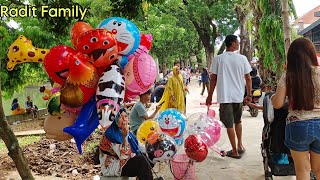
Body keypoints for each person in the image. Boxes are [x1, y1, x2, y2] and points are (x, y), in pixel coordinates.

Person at [271, 37, 320, 180]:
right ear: (311, 53)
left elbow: (278, 104)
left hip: (297, 125)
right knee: (318, 170)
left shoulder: (288, 75)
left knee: (303, 171)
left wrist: (274, 96)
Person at [206, 35, 252, 159]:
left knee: (229, 124)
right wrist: (249, 94)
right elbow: (248, 78)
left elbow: (213, 79)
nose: (238, 45)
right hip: (238, 97)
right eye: (237, 43)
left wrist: (209, 96)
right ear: (232, 44)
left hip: (225, 97)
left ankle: (235, 151)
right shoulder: (242, 59)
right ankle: (240, 146)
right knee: (238, 121)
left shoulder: (218, 59)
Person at [99, 108, 154, 179]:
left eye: (125, 116)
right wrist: (124, 137)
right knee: (142, 162)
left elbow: (137, 146)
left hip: (122, 160)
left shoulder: (125, 131)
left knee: (149, 156)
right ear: (114, 120)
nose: (124, 119)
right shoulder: (111, 134)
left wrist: (150, 146)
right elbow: (124, 156)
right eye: (120, 117)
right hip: (112, 165)